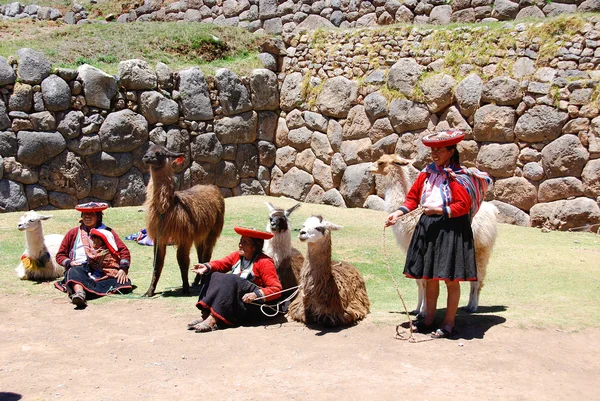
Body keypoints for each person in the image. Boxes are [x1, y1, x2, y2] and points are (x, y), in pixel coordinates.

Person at [385, 130, 491, 338]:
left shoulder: (457, 177)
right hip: (428, 227)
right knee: (430, 277)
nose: (435, 154)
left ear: (451, 151)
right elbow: (413, 198)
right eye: (433, 150)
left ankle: (449, 323)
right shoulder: (427, 173)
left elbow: (463, 205)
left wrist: (440, 210)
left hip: (451, 228)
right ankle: (429, 319)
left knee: (451, 279)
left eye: (440, 150)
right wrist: (397, 213)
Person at [188, 227, 282, 333]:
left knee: (231, 279)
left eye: (245, 242)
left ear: (255, 247)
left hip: (254, 306)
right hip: (238, 302)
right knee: (213, 274)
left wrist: (256, 294)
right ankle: (206, 314)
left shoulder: (264, 262)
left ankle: (213, 319)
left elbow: (276, 289)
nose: (240, 244)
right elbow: (221, 264)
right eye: (240, 241)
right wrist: (207, 266)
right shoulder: (237, 256)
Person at [54, 202, 132, 307]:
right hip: (80, 268)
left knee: (123, 282)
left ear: (98, 217)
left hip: (103, 271)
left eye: (91, 214)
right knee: (74, 272)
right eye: (85, 214)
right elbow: (60, 255)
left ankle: (86, 290)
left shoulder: (108, 232)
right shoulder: (73, 233)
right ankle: (80, 294)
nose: (87, 217)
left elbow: (123, 251)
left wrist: (123, 269)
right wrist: (69, 262)